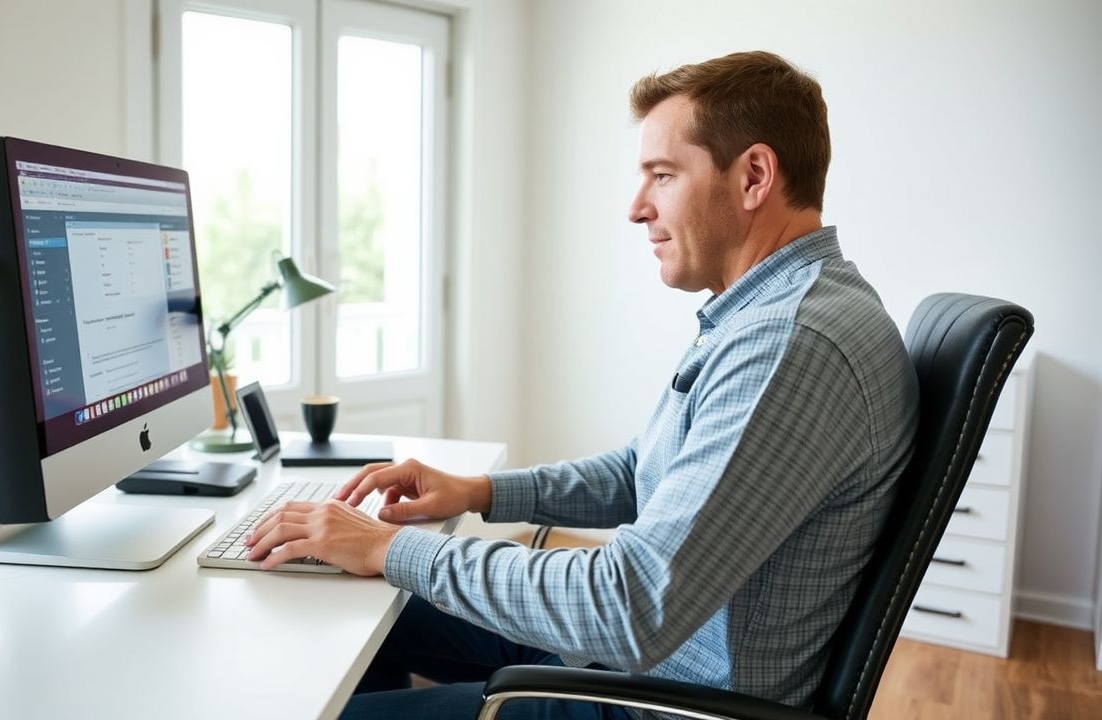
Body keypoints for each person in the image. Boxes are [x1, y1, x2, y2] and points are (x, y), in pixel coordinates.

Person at [246, 50, 919, 719]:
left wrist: (388, 545)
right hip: (640, 663)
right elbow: (641, 473)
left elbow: (629, 602)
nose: (636, 208)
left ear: (754, 176)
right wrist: (480, 492)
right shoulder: (769, 313)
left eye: (662, 175)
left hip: (658, 699)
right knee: (363, 606)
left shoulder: (791, 345)